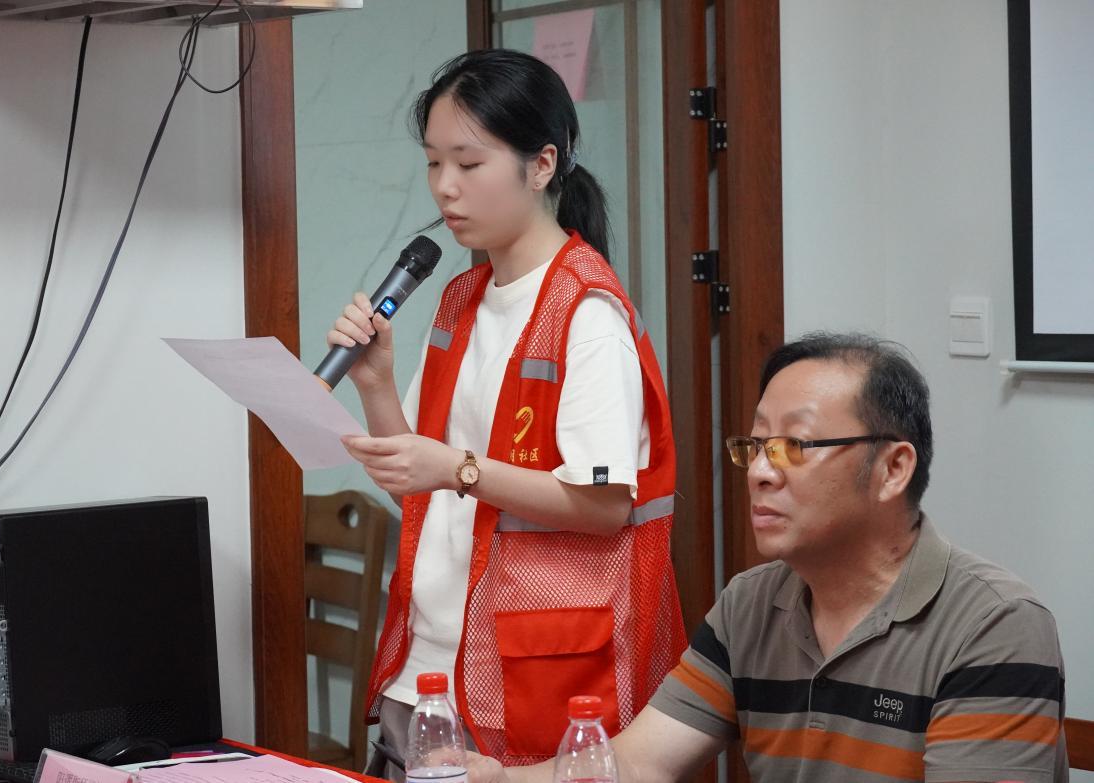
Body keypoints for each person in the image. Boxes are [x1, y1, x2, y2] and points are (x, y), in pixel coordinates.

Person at [466, 332, 1068, 783]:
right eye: (755, 445)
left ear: (893, 469)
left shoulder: (994, 625)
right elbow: (638, 763)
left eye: (794, 446)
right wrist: (495, 780)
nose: (758, 472)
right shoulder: (752, 604)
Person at [324, 49, 685, 778]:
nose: (445, 187)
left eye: (468, 162)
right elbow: (423, 489)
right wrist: (376, 385)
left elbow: (605, 505)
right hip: (426, 664)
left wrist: (458, 469)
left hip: (534, 675)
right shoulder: (462, 298)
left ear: (542, 164)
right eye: (433, 163)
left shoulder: (587, 313)